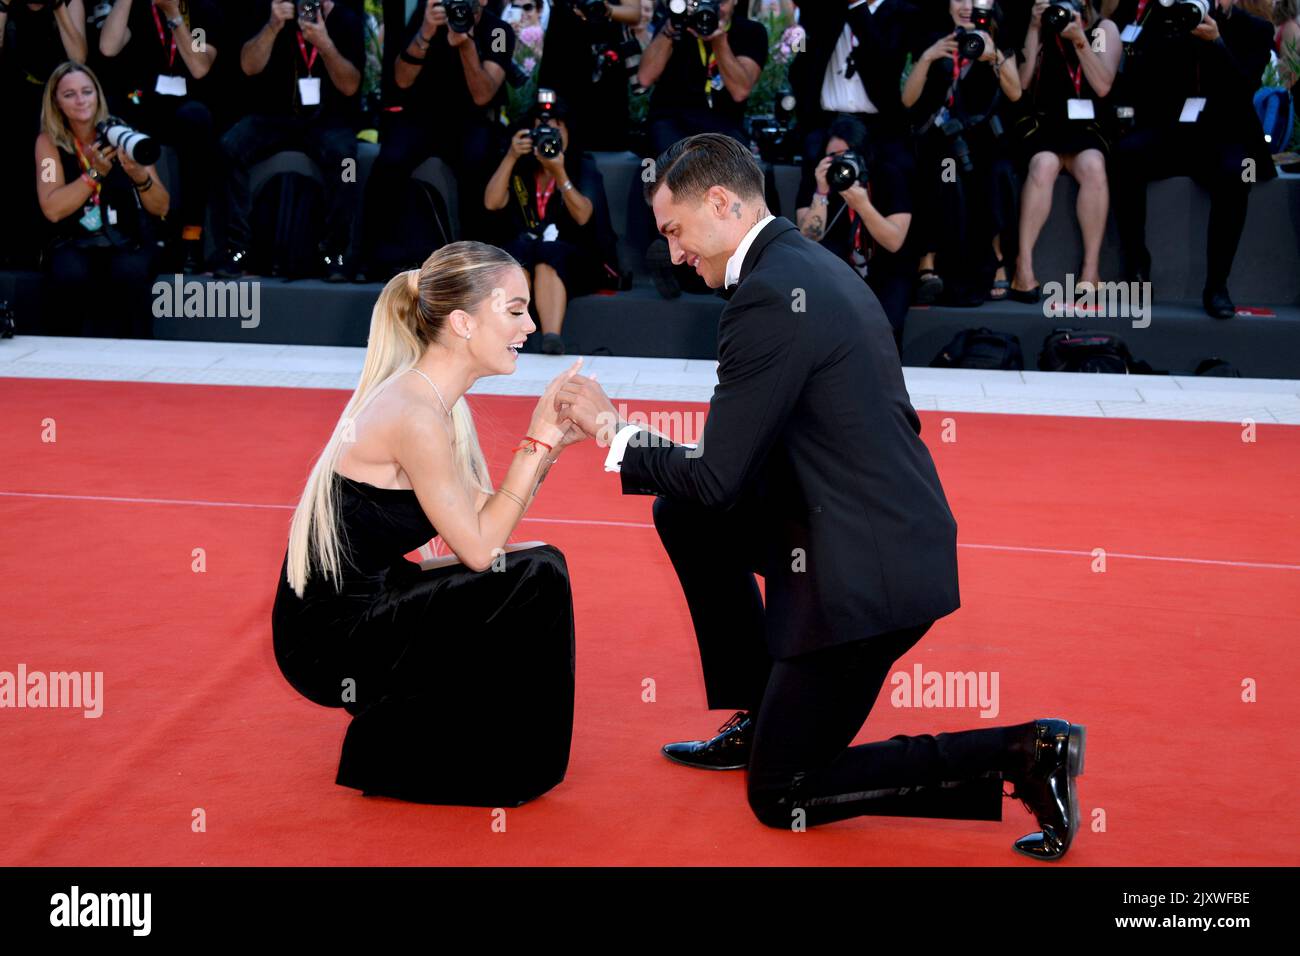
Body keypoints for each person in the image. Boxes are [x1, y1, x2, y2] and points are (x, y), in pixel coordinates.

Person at [553, 132, 1087, 861]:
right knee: (685, 513)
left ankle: (1022, 754)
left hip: (868, 577)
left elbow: (717, 474)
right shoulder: (801, 266)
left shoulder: (771, 295)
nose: (673, 253)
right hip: (864, 530)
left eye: (675, 231)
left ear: (721, 204)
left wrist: (612, 429)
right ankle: (759, 707)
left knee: (785, 795)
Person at [271, 241, 586, 806]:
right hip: (330, 642)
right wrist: (536, 440)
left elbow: (491, 519)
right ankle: (466, 761)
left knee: (539, 563)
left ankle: (437, 747)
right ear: (463, 322)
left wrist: (551, 444)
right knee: (533, 578)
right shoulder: (415, 415)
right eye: (515, 310)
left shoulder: (435, 403)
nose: (532, 324)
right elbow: (480, 551)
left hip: (374, 602)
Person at [1108, 0, 1277, 318]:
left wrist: (1216, 42)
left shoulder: (1256, 29)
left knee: (1239, 174)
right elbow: (1144, 79)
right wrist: (1171, 31)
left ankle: (1217, 285)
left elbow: (1244, 88)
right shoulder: (1169, 20)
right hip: (1176, 130)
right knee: (1125, 155)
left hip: (1227, 130)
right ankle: (1137, 267)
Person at [211, 0, 365, 281]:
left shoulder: (346, 18)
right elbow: (248, 66)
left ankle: (336, 252)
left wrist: (325, 44)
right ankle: (235, 248)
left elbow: (351, 85)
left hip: (327, 119)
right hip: (272, 115)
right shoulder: (268, 10)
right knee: (227, 148)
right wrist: (273, 26)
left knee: (347, 163)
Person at [360, 0, 514, 273]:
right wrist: (426, 33)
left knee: (479, 160)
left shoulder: (498, 31)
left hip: (471, 119)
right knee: (390, 159)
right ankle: (370, 255)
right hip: (422, 116)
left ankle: (480, 259)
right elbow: (401, 80)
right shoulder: (426, 18)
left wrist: (465, 45)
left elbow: (483, 95)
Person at [34, 59, 170, 338]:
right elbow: (52, 208)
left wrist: (139, 176)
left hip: (125, 238)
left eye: (87, 91)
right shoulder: (48, 144)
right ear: (57, 102)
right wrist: (94, 175)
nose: (81, 100)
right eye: (69, 94)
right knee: (69, 273)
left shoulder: (123, 135)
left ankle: (137, 359)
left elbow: (161, 206)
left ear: (98, 94)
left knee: (130, 273)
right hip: (74, 238)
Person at [903, 0, 1022, 305]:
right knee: (943, 170)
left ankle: (996, 259)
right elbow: (908, 100)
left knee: (996, 171)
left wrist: (992, 54)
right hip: (943, 138)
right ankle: (927, 261)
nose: (967, 6)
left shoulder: (996, 37)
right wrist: (928, 58)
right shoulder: (934, 38)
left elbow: (1015, 92)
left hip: (982, 138)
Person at [97, 0, 224, 272]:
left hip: (185, 105)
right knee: (116, 118)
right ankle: (132, 230)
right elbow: (108, 48)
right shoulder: (138, 8)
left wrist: (174, 15)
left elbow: (199, 66)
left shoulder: (202, 11)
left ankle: (191, 235)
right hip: (141, 101)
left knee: (197, 119)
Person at [1007, 0, 1120, 303]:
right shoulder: (1041, 27)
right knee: (1042, 165)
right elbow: (1021, 84)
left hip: (1087, 127)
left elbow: (1103, 85)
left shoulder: (1102, 29)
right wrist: (1033, 27)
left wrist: (1079, 39)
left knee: (1094, 166)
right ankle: (1024, 267)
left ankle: (1091, 271)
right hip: (1045, 123)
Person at [484, 93, 615, 354]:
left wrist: (559, 172)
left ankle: (552, 338)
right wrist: (510, 156)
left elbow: (583, 215)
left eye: (557, 127)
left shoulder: (581, 166)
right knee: (513, 258)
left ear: (568, 133)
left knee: (549, 254)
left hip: (576, 257)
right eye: (542, 129)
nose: (549, 136)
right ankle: (505, 337)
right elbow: (492, 202)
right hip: (527, 255)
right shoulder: (521, 168)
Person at [794, 115, 914, 343]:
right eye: (832, 157)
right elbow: (807, 240)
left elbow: (894, 241)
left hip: (886, 269)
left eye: (846, 156)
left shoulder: (889, 176)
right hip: (838, 270)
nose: (839, 163)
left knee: (883, 328)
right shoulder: (817, 178)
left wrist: (862, 205)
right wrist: (821, 193)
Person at [0, 0, 88, 268]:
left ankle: (50, 242)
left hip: (57, 95)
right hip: (12, 92)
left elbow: (79, 59)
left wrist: (59, 6)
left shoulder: (69, 2)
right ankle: (15, 248)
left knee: (48, 161)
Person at [637, 0, 768, 156]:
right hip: (672, 121)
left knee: (730, 164)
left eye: (719, 2)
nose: (712, 8)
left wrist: (719, 42)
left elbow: (740, 91)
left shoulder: (751, 31)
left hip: (724, 124)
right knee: (674, 159)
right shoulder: (675, 25)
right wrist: (670, 30)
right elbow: (644, 78)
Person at [536, 0, 640, 152]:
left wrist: (607, 10)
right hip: (564, 40)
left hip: (605, 55)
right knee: (555, 125)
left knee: (606, 137)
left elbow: (634, 13)